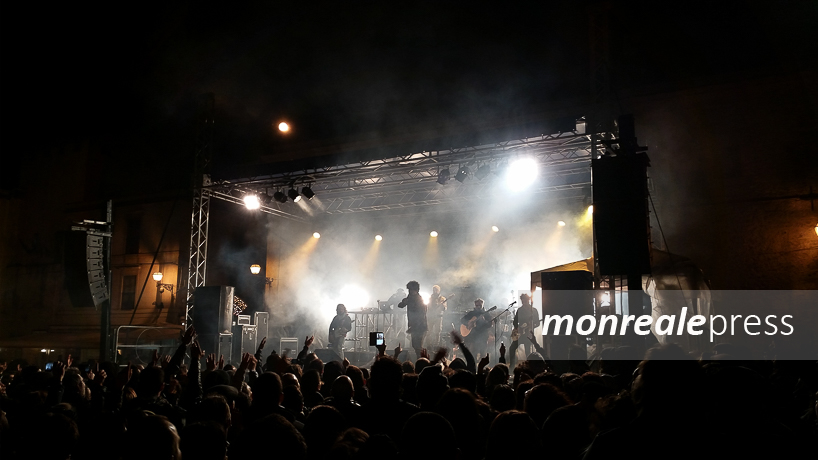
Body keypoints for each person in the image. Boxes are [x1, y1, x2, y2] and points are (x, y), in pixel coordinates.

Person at [397, 280, 427, 359]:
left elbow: (421, 314)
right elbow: (400, 305)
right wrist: (404, 301)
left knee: (417, 345)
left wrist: (414, 326)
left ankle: (421, 359)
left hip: (420, 325)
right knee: (415, 345)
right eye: (409, 290)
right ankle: (420, 358)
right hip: (414, 325)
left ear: (416, 290)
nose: (410, 291)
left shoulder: (419, 300)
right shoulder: (410, 298)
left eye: (411, 290)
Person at [425, 285, 448, 349]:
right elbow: (427, 307)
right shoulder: (430, 298)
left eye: (436, 290)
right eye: (434, 290)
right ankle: (428, 345)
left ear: (439, 291)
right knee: (428, 331)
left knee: (437, 332)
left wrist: (442, 306)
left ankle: (436, 345)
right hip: (430, 317)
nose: (435, 291)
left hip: (438, 317)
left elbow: (445, 309)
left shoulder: (442, 299)